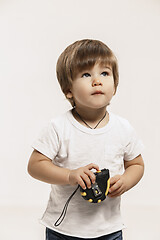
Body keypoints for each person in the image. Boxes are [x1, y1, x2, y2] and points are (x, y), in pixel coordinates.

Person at [28, 39, 144, 240]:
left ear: (115, 86)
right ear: (68, 90)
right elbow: (35, 166)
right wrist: (70, 175)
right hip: (63, 229)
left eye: (105, 73)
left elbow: (137, 164)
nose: (97, 80)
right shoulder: (58, 127)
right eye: (86, 74)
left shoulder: (123, 128)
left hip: (109, 229)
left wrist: (126, 180)